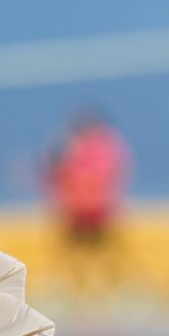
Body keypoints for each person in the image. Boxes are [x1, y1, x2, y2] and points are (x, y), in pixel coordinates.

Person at [44, 108, 130, 300]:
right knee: (71, 252)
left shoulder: (102, 148)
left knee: (106, 251)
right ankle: (74, 289)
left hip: (96, 209)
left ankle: (118, 287)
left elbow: (97, 177)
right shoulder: (75, 148)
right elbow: (59, 175)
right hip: (78, 209)